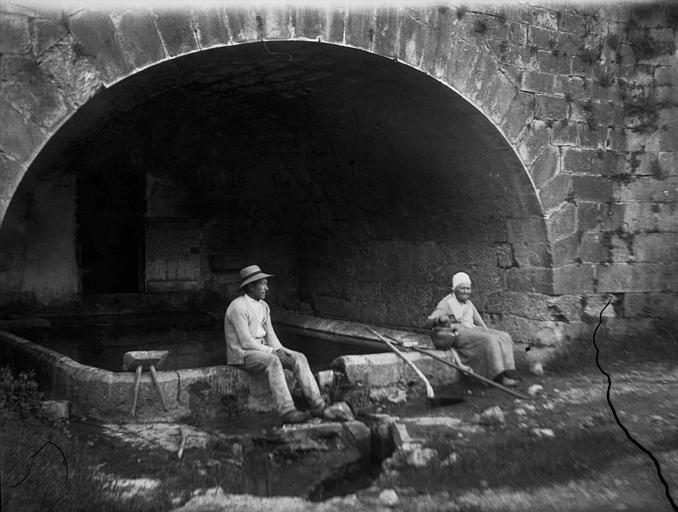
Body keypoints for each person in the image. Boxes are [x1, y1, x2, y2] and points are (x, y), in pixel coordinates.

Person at [225, 265, 327, 424]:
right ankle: (287, 411)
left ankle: (318, 405)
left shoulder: (264, 306)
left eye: (266, 284)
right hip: (242, 354)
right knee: (273, 361)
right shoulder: (237, 307)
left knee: (298, 357)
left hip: (263, 350)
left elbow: (271, 336)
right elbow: (246, 342)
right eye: (263, 284)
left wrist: (283, 351)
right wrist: (273, 353)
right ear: (251, 286)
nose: (267, 288)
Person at [425, 272, 518, 387]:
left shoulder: (468, 303)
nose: (466, 291)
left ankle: (509, 373)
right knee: (490, 340)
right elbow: (429, 321)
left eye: (468, 288)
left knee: (504, 336)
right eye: (462, 288)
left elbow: (479, 321)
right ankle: (497, 376)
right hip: (458, 332)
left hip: (471, 329)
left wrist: (487, 330)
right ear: (454, 289)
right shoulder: (446, 303)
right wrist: (440, 319)